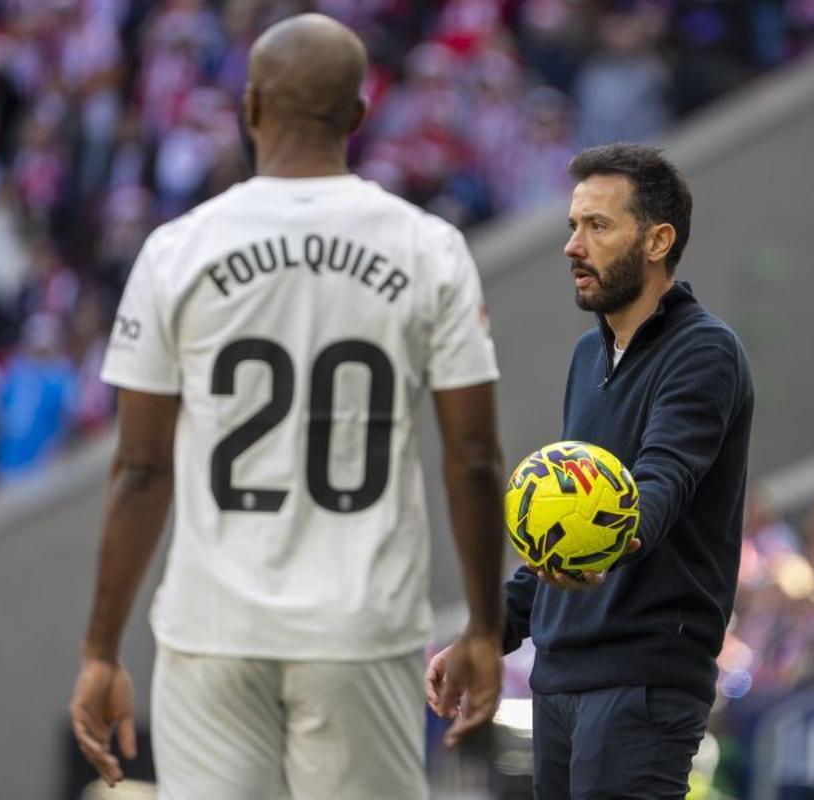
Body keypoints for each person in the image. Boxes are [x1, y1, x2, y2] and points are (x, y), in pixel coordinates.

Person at [68, 14, 506, 799]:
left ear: (251, 107)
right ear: (360, 116)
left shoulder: (179, 248)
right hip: (360, 626)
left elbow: (139, 468)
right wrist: (483, 626)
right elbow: (472, 457)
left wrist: (102, 649)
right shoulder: (429, 247)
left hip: (213, 628)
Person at [427, 143, 754, 799]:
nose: (573, 246)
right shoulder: (589, 354)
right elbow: (565, 523)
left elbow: (662, 480)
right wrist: (489, 633)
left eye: (597, 226)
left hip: (644, 682)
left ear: (658, 240)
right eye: (573, 226)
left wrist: (621, 536)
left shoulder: (704, 351)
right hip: (561, 677)